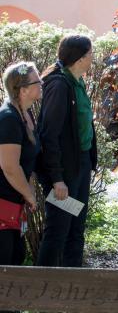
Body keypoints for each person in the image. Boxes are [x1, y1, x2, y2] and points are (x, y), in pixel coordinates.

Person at [36, 34, 97, 267]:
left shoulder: (77, 81)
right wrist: (57, 178)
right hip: (64, 170)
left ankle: (73, 289)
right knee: (58, 229)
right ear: (80, 58)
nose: (93, 59)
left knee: (76, 228)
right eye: (91, 54)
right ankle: (42, 291)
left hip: (80, 164)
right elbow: (49, 135)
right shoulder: (59, 85)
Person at [0, 62, 42, 266]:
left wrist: (29, 186)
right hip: (3, 202)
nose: (42, 83)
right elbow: (9, 166)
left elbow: (28, 159)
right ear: (23, 90)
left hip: (14, 203)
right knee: (6, 261)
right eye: (37, 81)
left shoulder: (26, 114)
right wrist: (29, 195)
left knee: (16, 256)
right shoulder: (8, 118)